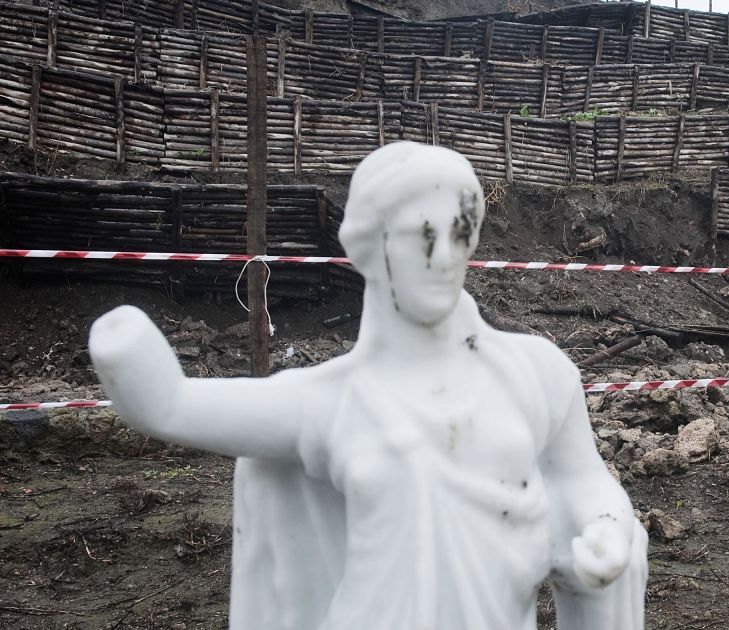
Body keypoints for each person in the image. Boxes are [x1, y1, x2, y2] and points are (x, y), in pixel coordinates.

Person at [88, 142, 648, 630]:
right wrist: (125, 347)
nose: (443, 258)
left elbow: (584, 484)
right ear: (367, 246)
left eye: (459, 234)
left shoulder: (535, 373)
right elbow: (171, 405)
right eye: (419, 236)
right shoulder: (332, 402)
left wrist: (605, 528)